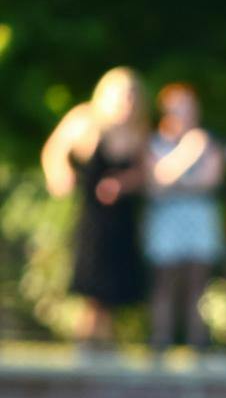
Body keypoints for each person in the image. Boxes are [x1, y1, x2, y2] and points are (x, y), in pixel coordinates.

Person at [40, 68, 151, 348]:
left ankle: (101, 341)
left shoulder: (138, 130)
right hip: (91, 216)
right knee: (92, 283)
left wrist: (123, 184)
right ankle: (87, 341)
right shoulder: (85, 120)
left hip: (121, 217)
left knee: (113, 286)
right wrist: (60, 175)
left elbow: (145, 171)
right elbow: (54, 151)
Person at [144, 83, 225, 353]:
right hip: (166, 219)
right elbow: (155, 183)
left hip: (198, 217)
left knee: (197, 280)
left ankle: (197, 340)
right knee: (165, 280)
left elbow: (211, 181)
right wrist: (188, 152)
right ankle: (161, 339)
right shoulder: (155, 142)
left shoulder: (208, 141)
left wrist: (173, 183)